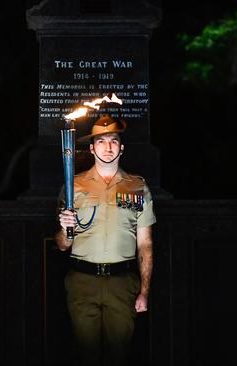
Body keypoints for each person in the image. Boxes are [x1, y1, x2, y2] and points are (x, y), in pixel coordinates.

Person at [55, 114, 156, 366]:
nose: (108, 147)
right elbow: (62, 244)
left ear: (121, 148)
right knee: (86, 353)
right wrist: (64, 227)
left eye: (113, 141)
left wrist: (144, 291)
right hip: (82, 282)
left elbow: (145, 244)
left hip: (122, 283)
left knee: (119, 355)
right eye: (101, 142)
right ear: (91, 148)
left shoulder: (137, 187)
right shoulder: (74, 186)